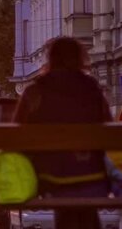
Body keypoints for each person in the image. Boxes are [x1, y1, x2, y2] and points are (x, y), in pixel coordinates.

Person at [14, 36, 113, 229]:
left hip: (51, 178)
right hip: (93, 175)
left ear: (50, 59)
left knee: (65, 205)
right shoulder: (91, 89)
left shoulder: (36, 91)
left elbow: (17, 135)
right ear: (79, 58)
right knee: (87, 207)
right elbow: (108, 129)